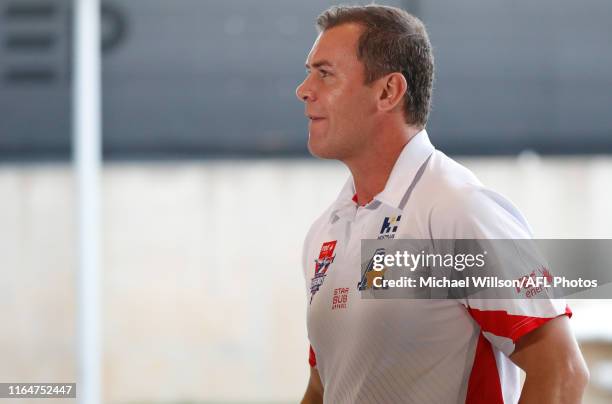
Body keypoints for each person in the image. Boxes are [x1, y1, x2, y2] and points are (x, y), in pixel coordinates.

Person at [295, 5, 589, 404]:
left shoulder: (457, 210)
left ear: (388, 92)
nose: (304, 89)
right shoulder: (326, 229)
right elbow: (323, 387)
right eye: (310, 71)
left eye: (324, 73)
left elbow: (562, 373)